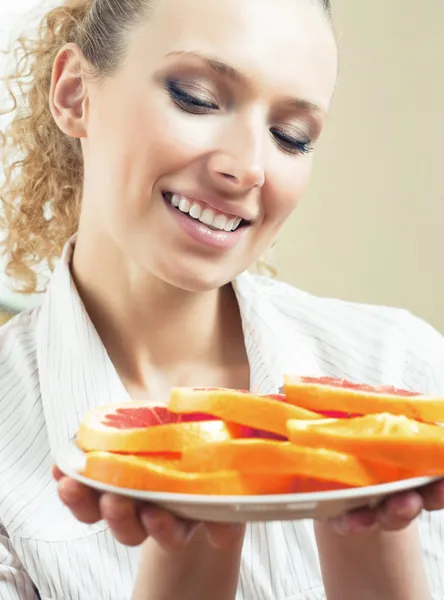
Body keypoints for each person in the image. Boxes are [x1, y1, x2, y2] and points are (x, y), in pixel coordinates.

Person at [1, 0, 444, 598]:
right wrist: (189, 545)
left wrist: (368, 524)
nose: (246, 167)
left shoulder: (407, 369)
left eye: (292, 137)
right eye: (196, 98)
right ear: (77, 94)